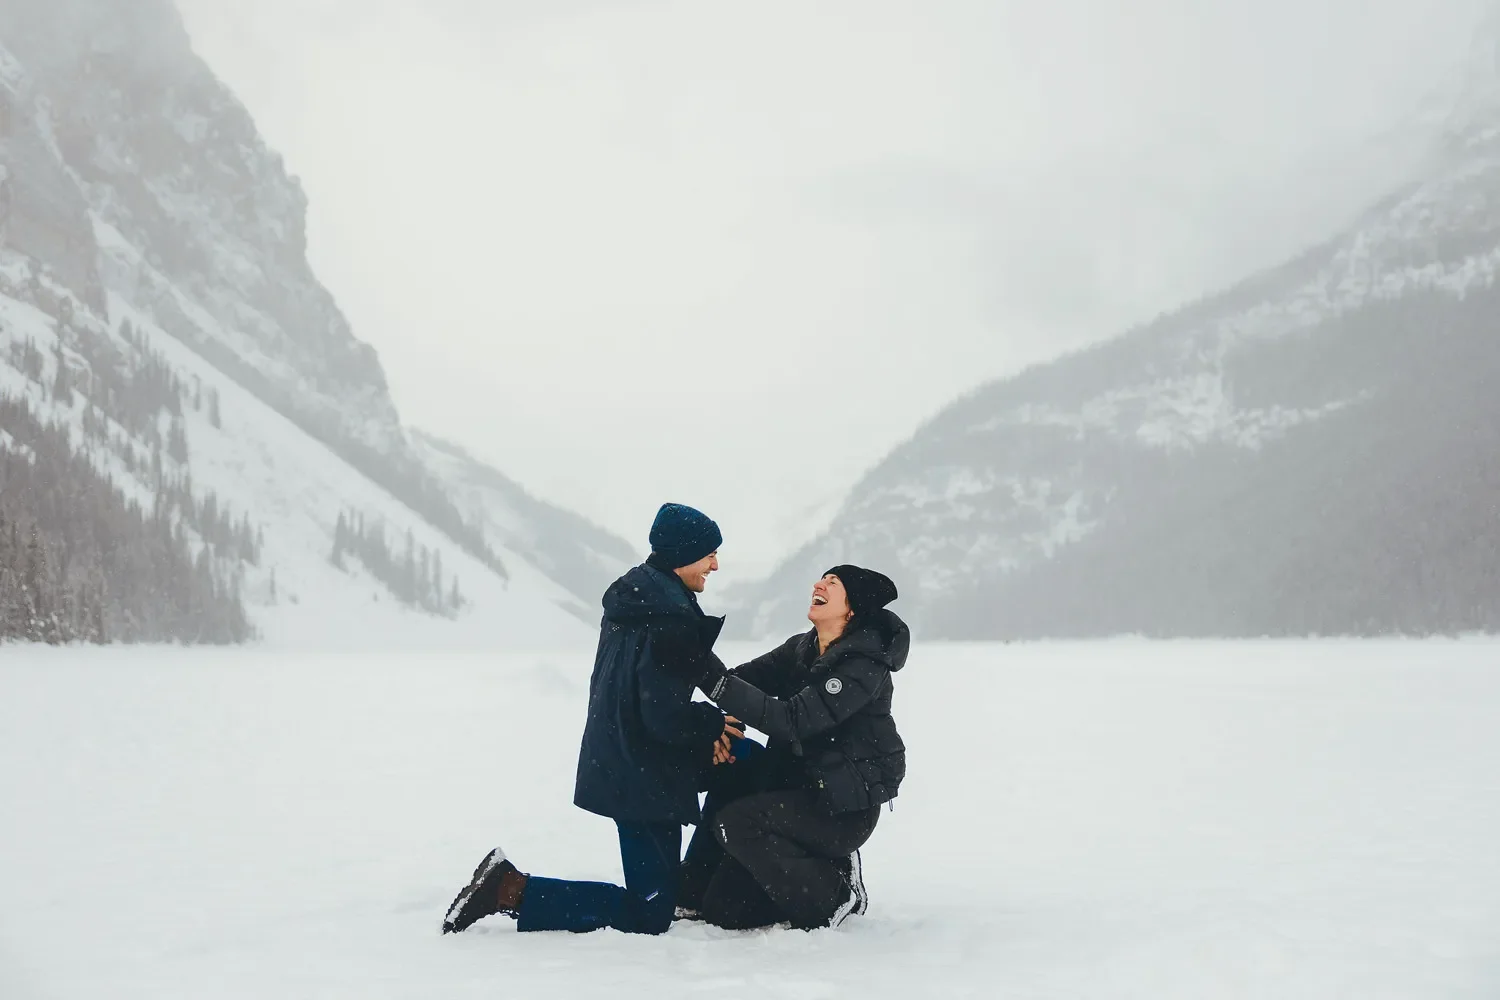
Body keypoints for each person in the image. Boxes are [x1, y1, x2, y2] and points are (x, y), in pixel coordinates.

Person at [440, 503, 739, 935]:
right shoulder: (669, 615)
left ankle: (684, 886)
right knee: (648, 915)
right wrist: (711, 725)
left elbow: (647, 693)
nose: (715, 563)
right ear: (682, 553)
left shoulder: (639, 597)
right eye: (709, 552)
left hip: (624, 761)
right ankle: (509, 889)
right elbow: (661, 713)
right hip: (644, 773)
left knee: (738, 766)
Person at [675, 564, 908, 931]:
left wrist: (713, 678)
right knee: (724, 911)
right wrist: (706, 708)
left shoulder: (864, 664)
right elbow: (741, 681)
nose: (819, 583)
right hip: (793, 790)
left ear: (853, 608)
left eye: (834, 583)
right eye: (822, 577)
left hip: (840, 810)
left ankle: (835, 895)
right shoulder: (802, 647)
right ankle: (696, 884)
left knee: (737, 823)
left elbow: (792, 719)